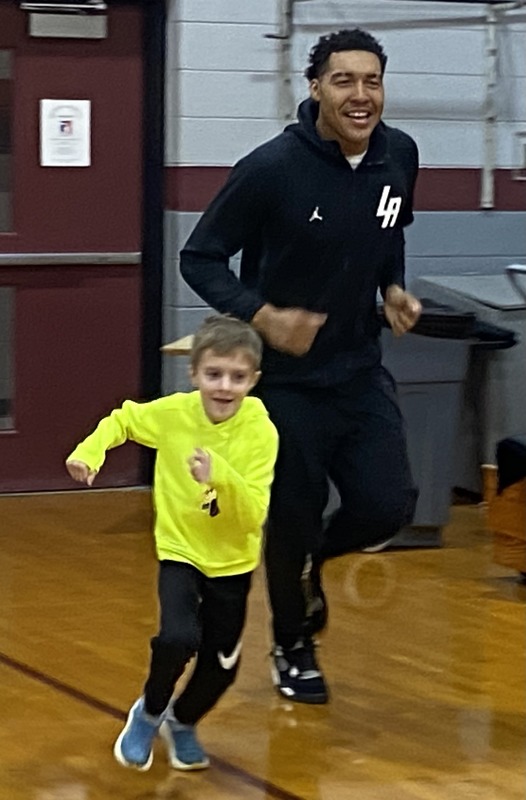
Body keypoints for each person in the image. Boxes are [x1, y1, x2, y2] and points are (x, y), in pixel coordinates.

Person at [179, 28, 422, 706]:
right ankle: (293, 646)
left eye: (371, 81)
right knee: (292, 518)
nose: (360, 94)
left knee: (387, 504)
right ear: (315, 87)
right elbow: (198, 258)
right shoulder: (271, 169)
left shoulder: (399, 153)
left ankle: (316, 562)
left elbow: (390, 229)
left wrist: (393, 291)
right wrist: (262, 318)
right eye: (344, 80)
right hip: (285, 385)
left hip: (358, 369)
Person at [65, 315, 279, 772]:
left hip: (232, 563)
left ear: (254, 380)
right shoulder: (173, 415)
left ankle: (182, 721)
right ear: (194, 373)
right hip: (180, 551)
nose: (224, 387)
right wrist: (90, 451)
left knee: (221, 667)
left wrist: (218, 475)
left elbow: (252, 516)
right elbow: (123, 419)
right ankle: (148, 712)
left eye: (237, 377)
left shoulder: (261, 433)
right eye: (214, 374)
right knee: (177, 637)